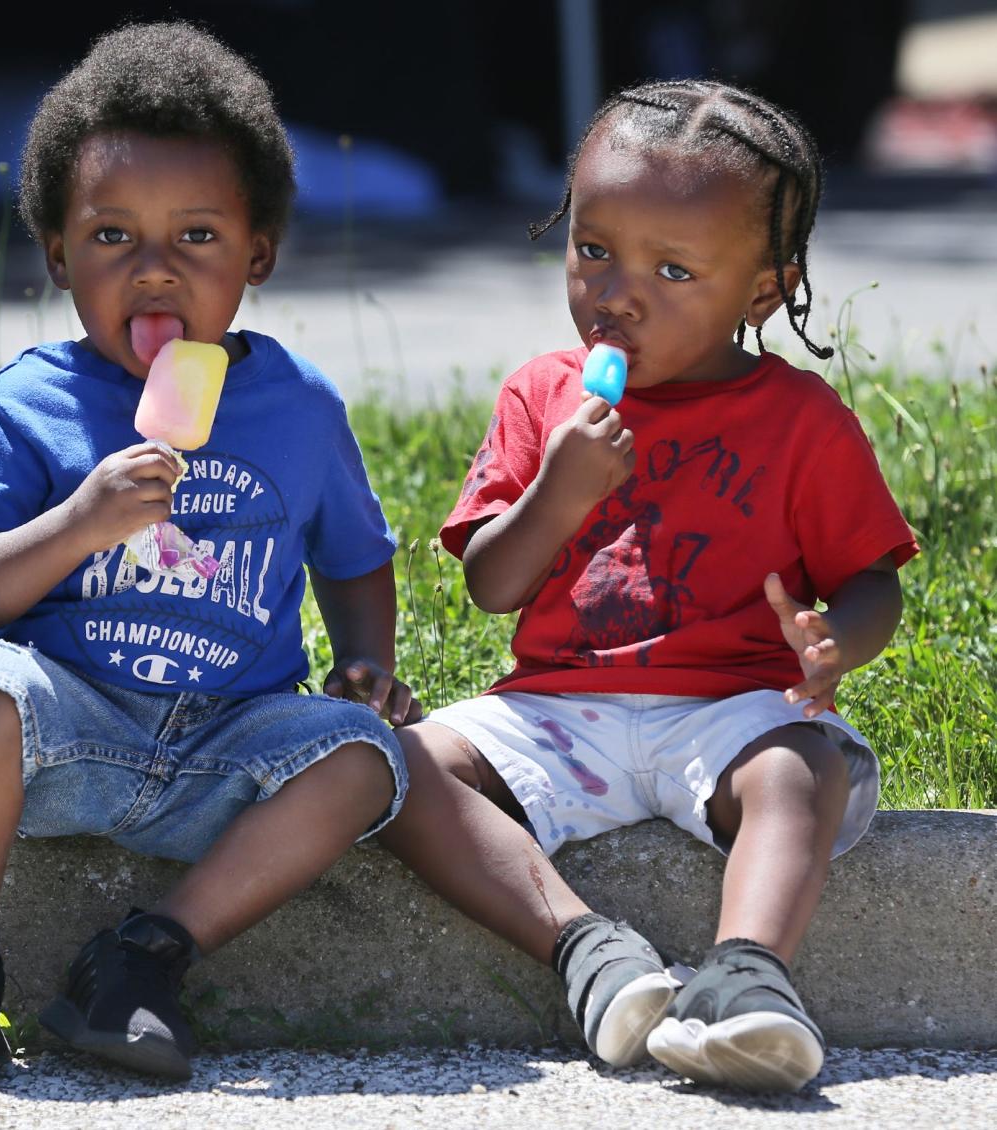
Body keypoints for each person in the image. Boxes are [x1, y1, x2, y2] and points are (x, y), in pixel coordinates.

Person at [0, 22, 419, 1092]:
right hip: (66, 724)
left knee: (363, 754)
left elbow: (355, 555)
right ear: (57, 254)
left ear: (258, 253)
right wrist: (78, 522)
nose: (155, 267)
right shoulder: (30, 401)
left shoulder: (298, 407)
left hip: (230, 734)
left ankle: (143, 957)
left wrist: (364, 658)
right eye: (113, 236)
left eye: (198, 238)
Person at [378, 79, 917, 1093]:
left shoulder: (800, 419)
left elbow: (870, 580)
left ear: (762, 291)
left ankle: (749, 978)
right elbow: (494, 583)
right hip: (554, 712)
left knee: (802, 765)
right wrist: (558, 488)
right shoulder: (545, 393)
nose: (618, 292)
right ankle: (589, 951)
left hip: (728, 712)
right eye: (593, 251)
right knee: (398, 763)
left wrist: (836, 637)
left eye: (674, 270)